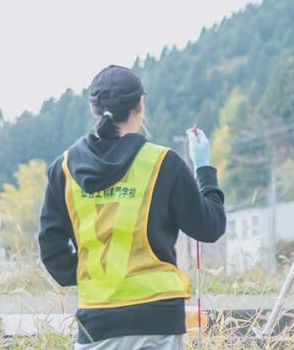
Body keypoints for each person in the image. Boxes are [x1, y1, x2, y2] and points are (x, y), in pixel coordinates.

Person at [38, 65, 226, 349]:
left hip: (97, 322)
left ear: (94, 110)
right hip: (158, 322)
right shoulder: (164, 162)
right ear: (140, 105)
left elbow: (52, 253)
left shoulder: (62, 170)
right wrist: (204, 169)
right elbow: (210, 227)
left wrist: (89, 274)